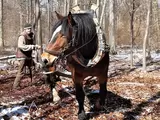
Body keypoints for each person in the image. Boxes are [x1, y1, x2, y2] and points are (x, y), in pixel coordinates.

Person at [13, 23, 41, 89]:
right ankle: (15, 86)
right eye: (27, 29)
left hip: (28, 56)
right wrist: (32, 47)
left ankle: (32, 83)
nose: (29, 30)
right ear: (25, 29)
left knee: (32, 69)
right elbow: (21, 46)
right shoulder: (22, 36)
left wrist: (35, 47)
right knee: (21, 72)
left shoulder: (31, 36)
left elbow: (33, 44)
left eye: (30, 28)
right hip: (22, 56)